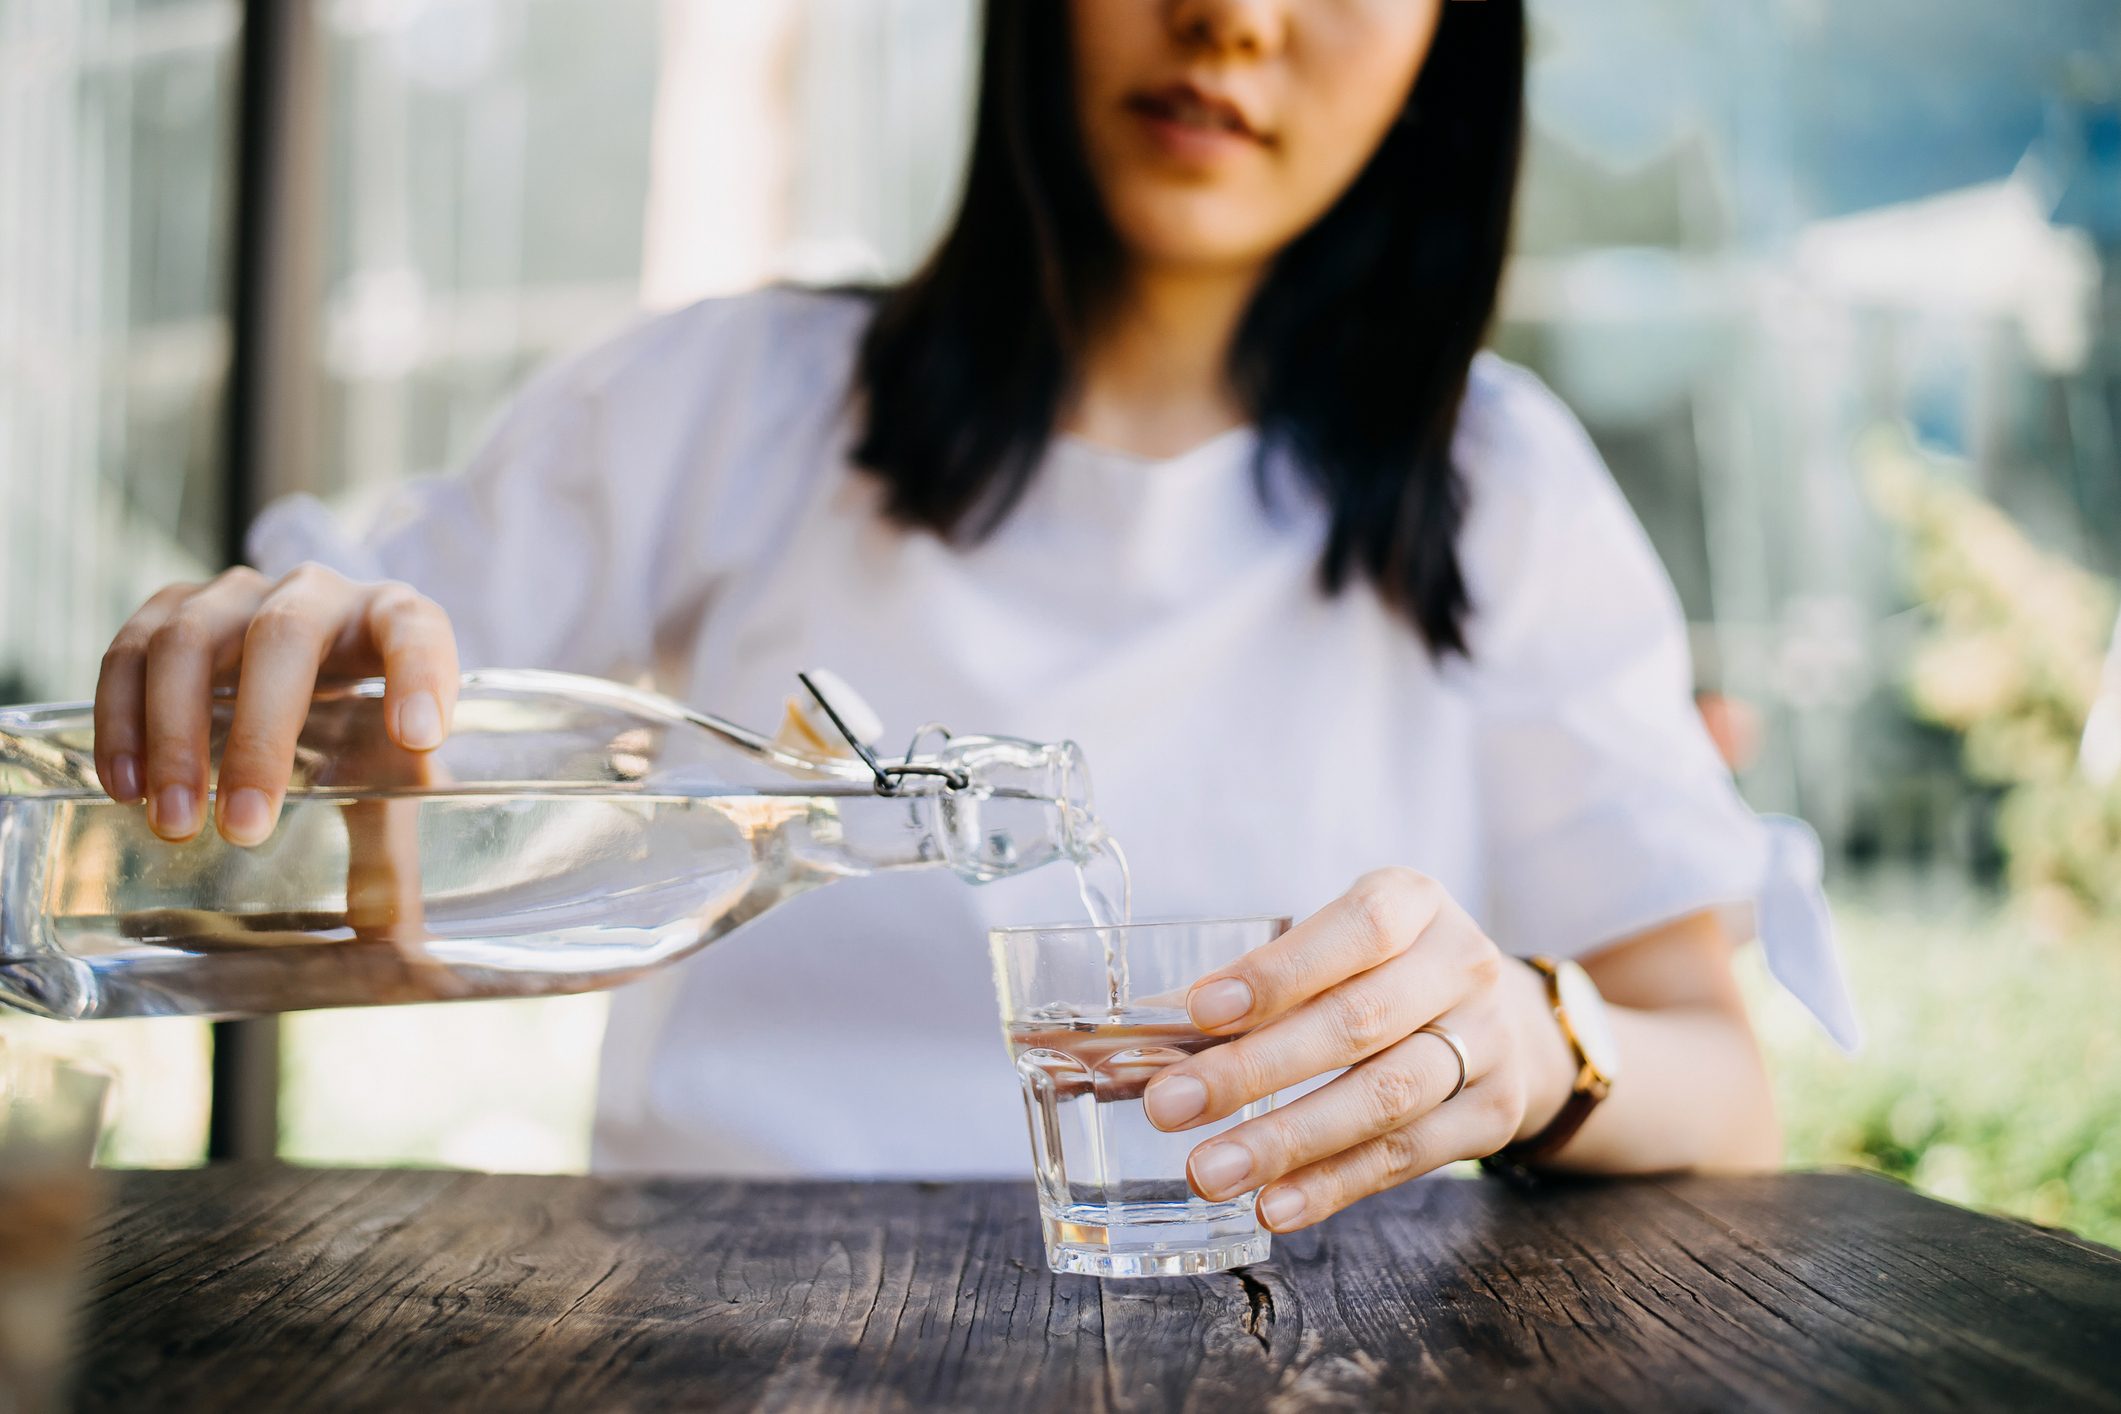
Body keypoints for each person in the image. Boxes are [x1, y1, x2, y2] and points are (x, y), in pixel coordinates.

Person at [91, 0, 1855, 1224]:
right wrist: (274, 666)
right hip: (709, 1347)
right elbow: (373, 688)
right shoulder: (736, 400)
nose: (1230, 20)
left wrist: (1544, 1042)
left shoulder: (1502, 492)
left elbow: (1727, 1089)